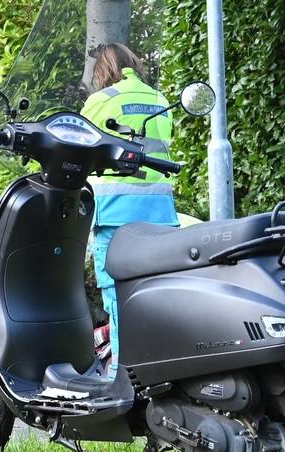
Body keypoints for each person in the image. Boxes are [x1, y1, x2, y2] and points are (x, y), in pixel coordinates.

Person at [80, 43, 179, 378]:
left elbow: (77, 145)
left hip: (115, 213)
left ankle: (122, 376)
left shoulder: (102, 100)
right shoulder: (160, 100)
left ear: (102, 69)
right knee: (155, 297)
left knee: (118, 296)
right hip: (161, 214)